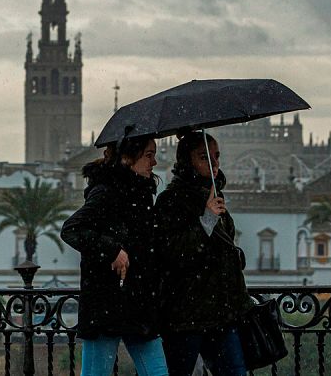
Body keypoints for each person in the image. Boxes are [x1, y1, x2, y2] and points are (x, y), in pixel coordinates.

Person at [61, 137, 168, 376]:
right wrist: (111, 250)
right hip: (107, 304)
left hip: (137, 305)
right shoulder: (105, 193)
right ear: (128, 158)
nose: (155, 161)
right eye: (148, 155)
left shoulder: (142, 195)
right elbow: (72, 229)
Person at [155, 131, 252, 376]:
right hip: (186, 317)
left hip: (221, 314)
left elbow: (223, 245)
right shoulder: (171, 201)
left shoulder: (215, 196)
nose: (214, 163)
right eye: (204, 157)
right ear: (188, 162)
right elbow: (174, 252)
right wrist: (207, 220)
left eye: (217, 156)